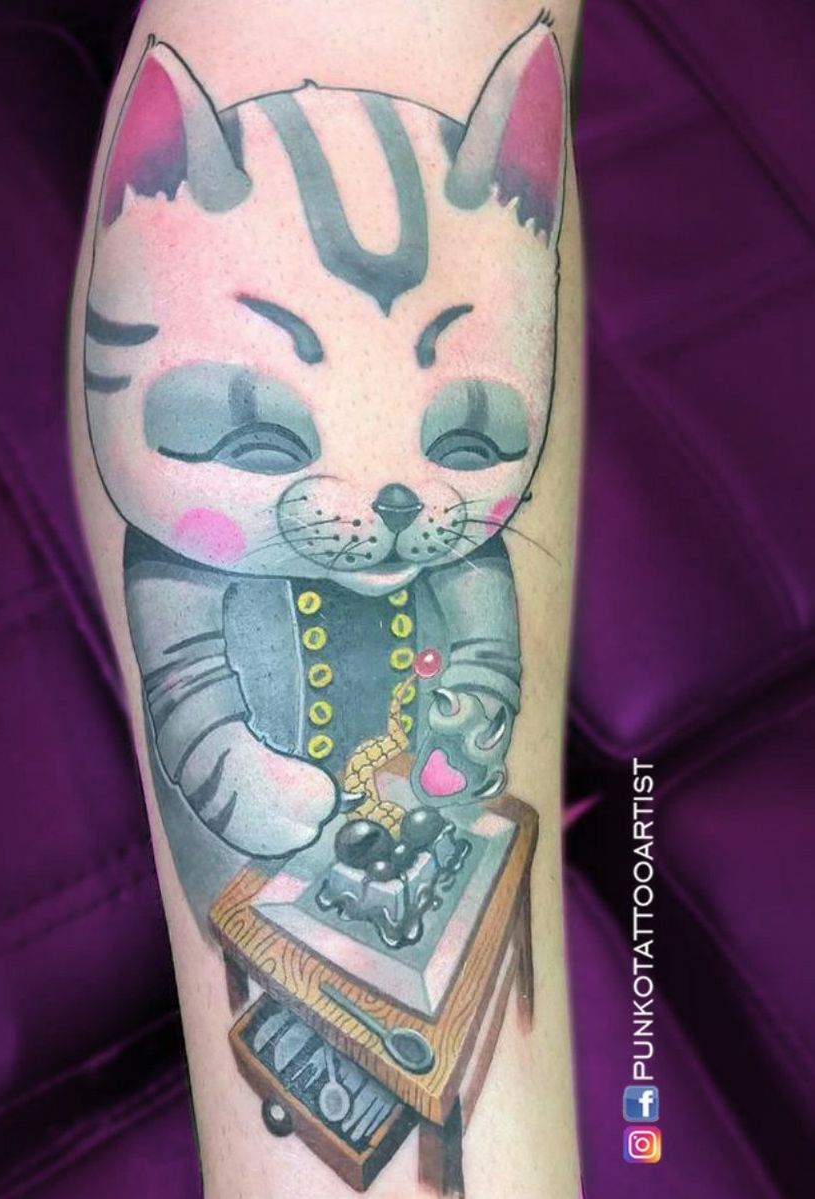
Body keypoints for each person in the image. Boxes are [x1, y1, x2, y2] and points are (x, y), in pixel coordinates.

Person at [68, 2, 584, 1194]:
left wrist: (473, 712)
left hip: (413, 845)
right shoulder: (177, 573)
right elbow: (193, 702)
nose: (390, 503)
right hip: (268, 880)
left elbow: (485, 652)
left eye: (461, 440)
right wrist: (248, 785)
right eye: (268, 436)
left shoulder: (460, 556)